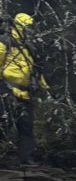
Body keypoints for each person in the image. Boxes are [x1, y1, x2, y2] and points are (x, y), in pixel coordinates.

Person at [0, 13, 49, 165]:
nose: (30, 31)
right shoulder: (4, 43)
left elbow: (35, 69)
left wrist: (44, 87)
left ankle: (26, 158)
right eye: (27, 28)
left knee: (26, 127)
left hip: (26, 93)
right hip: (6, 90)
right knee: (3, 124)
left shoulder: (30, 48)